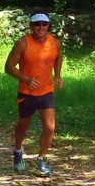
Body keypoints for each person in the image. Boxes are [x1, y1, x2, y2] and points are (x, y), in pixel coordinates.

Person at [4, 10, 63, 176]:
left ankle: (42, 158)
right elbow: (8, 67)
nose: (41, 27)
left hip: (46, 91)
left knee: (50, 127)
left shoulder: (54, 43)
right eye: (37, 24)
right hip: (27, 92)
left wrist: (57, 76)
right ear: (31, 26)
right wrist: (26, 79)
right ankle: (17, 151)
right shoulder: (23, 44)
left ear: (48, 26)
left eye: (44, 24)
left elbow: (59, 57)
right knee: (23, 124)